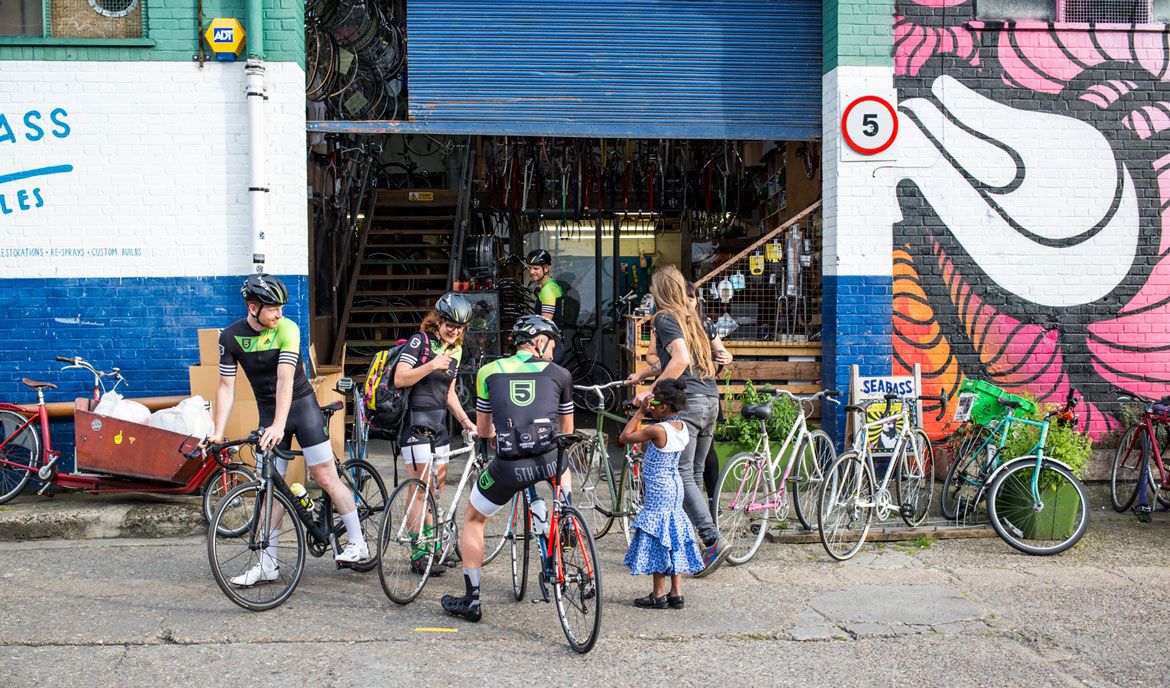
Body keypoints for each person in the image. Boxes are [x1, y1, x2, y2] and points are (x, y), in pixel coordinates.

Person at [209, 274, 368, 586]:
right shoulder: (230, 338)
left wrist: (279, 425)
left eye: (281, 308)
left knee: (324, 475)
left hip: (301, 407)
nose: (279, 313)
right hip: (269, 413)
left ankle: (358, 542)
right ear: (253, 308)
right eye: (273, 309)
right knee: (268, 489)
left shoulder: (287, 329)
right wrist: (218, 431)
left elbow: (284, 379)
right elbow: (226, 386)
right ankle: (268, 565)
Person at [441, 315, 574, 623]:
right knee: (561, 457)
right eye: (552, 344)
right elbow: (566, 431)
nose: (553, 351)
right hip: (549, 461)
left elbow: (486, 432)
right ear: (540, 342)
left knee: (474, 519)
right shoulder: (560, 374)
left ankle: (471, 600)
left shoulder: (489, 371)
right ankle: (565, 514)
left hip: (509, 466)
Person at [626, 266, 730, 575]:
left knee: (681, 475)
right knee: (694, 474)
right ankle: (699, 550)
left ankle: (712, 540)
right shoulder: (695, 318)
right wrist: (646, 374)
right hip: (711, 400)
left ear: (659, 291)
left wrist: (650, 392)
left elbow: (681, 359)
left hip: (689, 403)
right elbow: (714, 356)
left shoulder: (666, 318)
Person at [393, 292, 478, 575]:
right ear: (438, 321)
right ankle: (419, 551)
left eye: (460, 327)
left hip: (440, 426)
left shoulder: (456, 350)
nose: (454, 331)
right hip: (415, 424)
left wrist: (465, 420)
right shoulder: (421, 342)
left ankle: (431, 544)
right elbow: (400, 377)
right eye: (450, 324)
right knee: (419, 488)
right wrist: (431, 364)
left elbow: (449, 392)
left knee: (435, 490)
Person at [619, 378, 704, 609]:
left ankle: (658, 594)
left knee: (659, 538)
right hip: (676, 487)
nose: (651, 408)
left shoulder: (657, 429)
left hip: (659, 489)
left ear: (664, 407)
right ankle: (676, 593)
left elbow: (624, 438)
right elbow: (651, 448)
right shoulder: (682, 427)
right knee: (674, 535)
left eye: (654, 405)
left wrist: (639, 413)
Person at [524, 248, 567, 364]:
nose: (531, 271)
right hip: (553, 342)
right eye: (530, 268)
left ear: (546, 268)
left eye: (536, 268)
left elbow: (545, 323)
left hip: (550, 346)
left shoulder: (548, 290)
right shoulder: (550, 285)